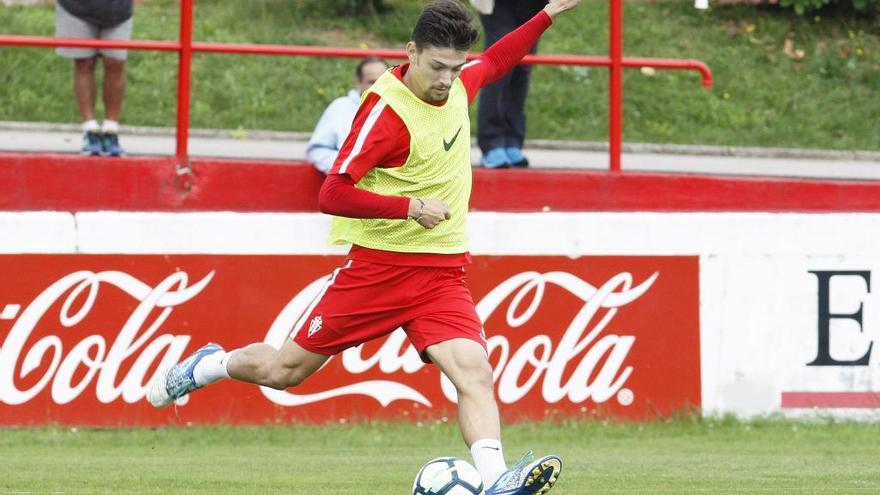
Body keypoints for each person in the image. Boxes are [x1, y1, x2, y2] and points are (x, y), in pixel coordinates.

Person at [148, 1, 582, 493]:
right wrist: (410, 207)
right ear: (411, 52)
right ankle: (209, 364)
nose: (445, 78)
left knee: (474, 373)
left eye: (455, 67)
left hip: (440, 275)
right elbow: (331, 193)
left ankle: (497, 481)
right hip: (375, 271)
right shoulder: (385, 112)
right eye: (436, 66)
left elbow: (500, 60)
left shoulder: (460, 84)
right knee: (281, 371)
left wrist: (548, 12)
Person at [472, 0, 548, 168]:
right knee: (499, 66)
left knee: (522, 68)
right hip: (499, 5)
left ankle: (512, 140)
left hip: (535, 5)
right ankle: (492, 142)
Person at [55, 0, 132, 156]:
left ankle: (111, 130)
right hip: (75, 8)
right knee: (84, 62)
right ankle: (90, 130)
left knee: (115, 63)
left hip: (118, 10)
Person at [306, 56, 389, 174]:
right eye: (372, 82)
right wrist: (348, 166)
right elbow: (317, 151)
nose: (379, 87)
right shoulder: (340, 108)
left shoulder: (402, 109)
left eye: (384, 81)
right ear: (358, 82)